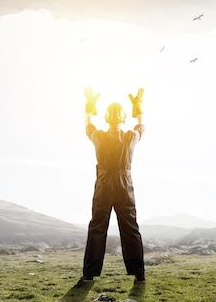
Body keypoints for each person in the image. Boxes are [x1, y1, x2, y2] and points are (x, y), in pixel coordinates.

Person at [81, 87, 146, 285]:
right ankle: (139, 276)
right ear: (123, 118)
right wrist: (138, 107)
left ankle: (89, 275)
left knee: (97, 228)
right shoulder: (129, 138)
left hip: (103, 184)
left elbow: (88, 124)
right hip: (124, 185)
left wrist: (90, 106)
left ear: (107, 118)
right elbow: (141, 125)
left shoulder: (99, 136)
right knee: (130, 228)